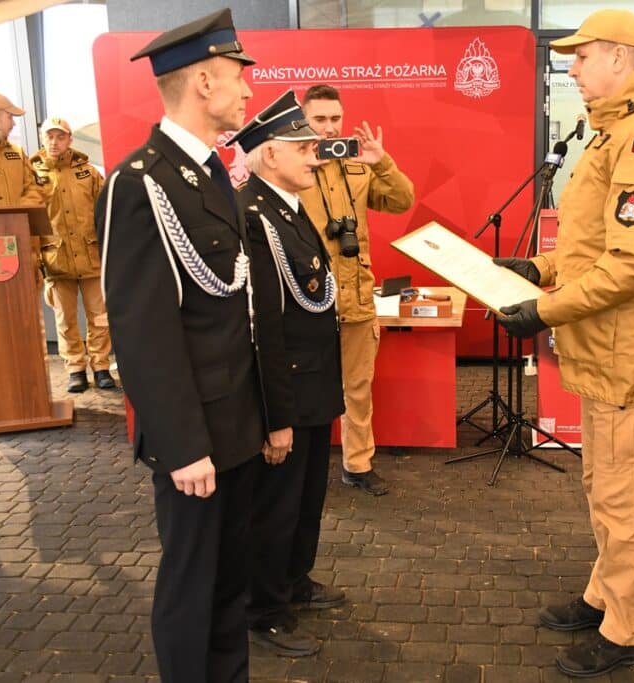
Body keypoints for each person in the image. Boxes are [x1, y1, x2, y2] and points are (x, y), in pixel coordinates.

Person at [495, 8, 634, 678]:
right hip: (603, 341)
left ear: (621, 57)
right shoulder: (617, 130)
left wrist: (545, 308)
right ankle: (603, 591)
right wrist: (543, 269)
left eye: (581, 59)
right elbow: (596, 245)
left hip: (626, 347)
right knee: (602, 482)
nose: (573, 70)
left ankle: (627, 626)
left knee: (624, 492)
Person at [93, 9, 291, 682]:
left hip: (236, 424)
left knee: (229, 586)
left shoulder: (211, 174)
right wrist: (181, 444)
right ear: (204, 81)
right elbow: (141, 327)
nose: (247, 92)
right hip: (195, 437)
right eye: (239, 78)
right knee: (190, 586)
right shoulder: (140, 181)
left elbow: (241, 312)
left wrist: (266, 416)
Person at [226, 89, 346, 657]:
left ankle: (294, 582)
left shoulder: (290, 211)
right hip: (286, 391)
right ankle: (265, 609)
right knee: (275, 508)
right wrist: (276, 418)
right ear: (269, 154)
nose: (314, 156)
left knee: (306, 499)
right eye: (303, 147)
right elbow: (261, 329)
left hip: (314, 383)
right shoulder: (253, 216)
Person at [299, 84, 415, 496]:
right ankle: (300, 469)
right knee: (304, 389)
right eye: (320, 120)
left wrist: (382, 162)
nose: (330, 129)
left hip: (358, 296)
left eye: (335, 119)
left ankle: (357, 465)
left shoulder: (358, 164)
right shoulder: (291, 166)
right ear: (304, 120)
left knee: (358, 389)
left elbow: (402, 201)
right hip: (308, 300)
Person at [31, 117, 116, 393]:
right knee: (65, 319)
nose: (54, 143)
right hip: (56, 260)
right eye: (50, 137)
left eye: (60, 137)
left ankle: (101, 366)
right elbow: (30, 220)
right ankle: (75, 369)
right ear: (43, 139)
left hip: (91, 256)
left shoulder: (89, 173)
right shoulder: (32, 174)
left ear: (69, 140)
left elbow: (105, 212)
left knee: (99, 316)